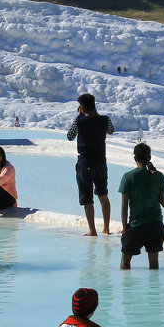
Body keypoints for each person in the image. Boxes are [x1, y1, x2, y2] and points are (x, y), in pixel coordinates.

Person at [67, 93, 115, 236]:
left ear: (81, 107)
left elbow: (70, 136)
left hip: (85, 162)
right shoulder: (105, 120)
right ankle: (106, 228)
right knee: (103, 194)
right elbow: (111, 131)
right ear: (94, 105)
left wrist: (80, 117)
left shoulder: (79, 121)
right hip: (101, 162)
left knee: (87, 198)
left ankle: (92, 230)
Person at [118, 143, 164, 270]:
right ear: (149, 158)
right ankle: (153, 288)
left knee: (125, 260)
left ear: (135, 158)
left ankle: (126, 289)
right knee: (154, 262)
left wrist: (125, 229)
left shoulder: (128, 177)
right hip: (156, 226)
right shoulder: (158, 176)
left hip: (136, 226)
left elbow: (124, 207)